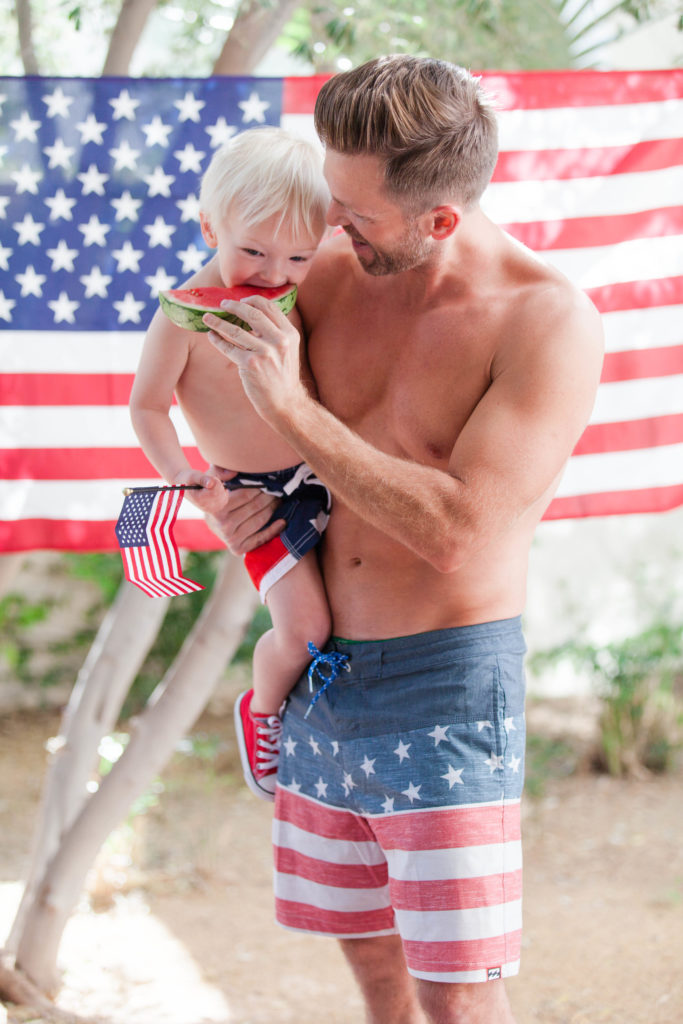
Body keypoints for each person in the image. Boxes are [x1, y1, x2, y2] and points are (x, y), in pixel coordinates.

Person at [201, 57, 604, 1024]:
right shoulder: (324, 272)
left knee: (456, 988)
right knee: (369, 953)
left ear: (439, 220)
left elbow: (458, 531)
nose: (327, 228)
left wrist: (292, 412)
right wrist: (231, 501)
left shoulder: (545, 321)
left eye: (355, 213)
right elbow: (244, 418)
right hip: (320, 665)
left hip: (445, 679)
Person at [129, 127, 333, 800]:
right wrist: (178, 472)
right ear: (208, 224)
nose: (274, 275)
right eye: (252, 250)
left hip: (329, 473)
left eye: (299, 257)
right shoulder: (177, 318)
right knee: (305, 629)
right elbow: (148, 408)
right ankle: (262, 711)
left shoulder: (306, 295)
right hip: (255, 498)